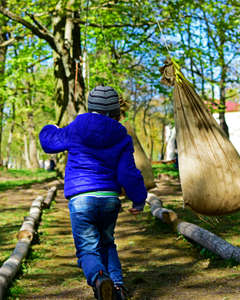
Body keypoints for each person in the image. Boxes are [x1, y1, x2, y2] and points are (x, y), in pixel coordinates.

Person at [39, 86, 147, 300]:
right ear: (115, 110)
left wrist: (49, 127)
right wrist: (138, 199)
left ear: (92, 106)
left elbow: (49, 142)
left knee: (88, 249)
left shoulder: (79, 126)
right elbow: (128, 172)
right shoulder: (121, 134)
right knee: (107, 243)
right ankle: (117, 288)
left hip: (81, 199)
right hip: (109, 199)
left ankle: (99, 279)